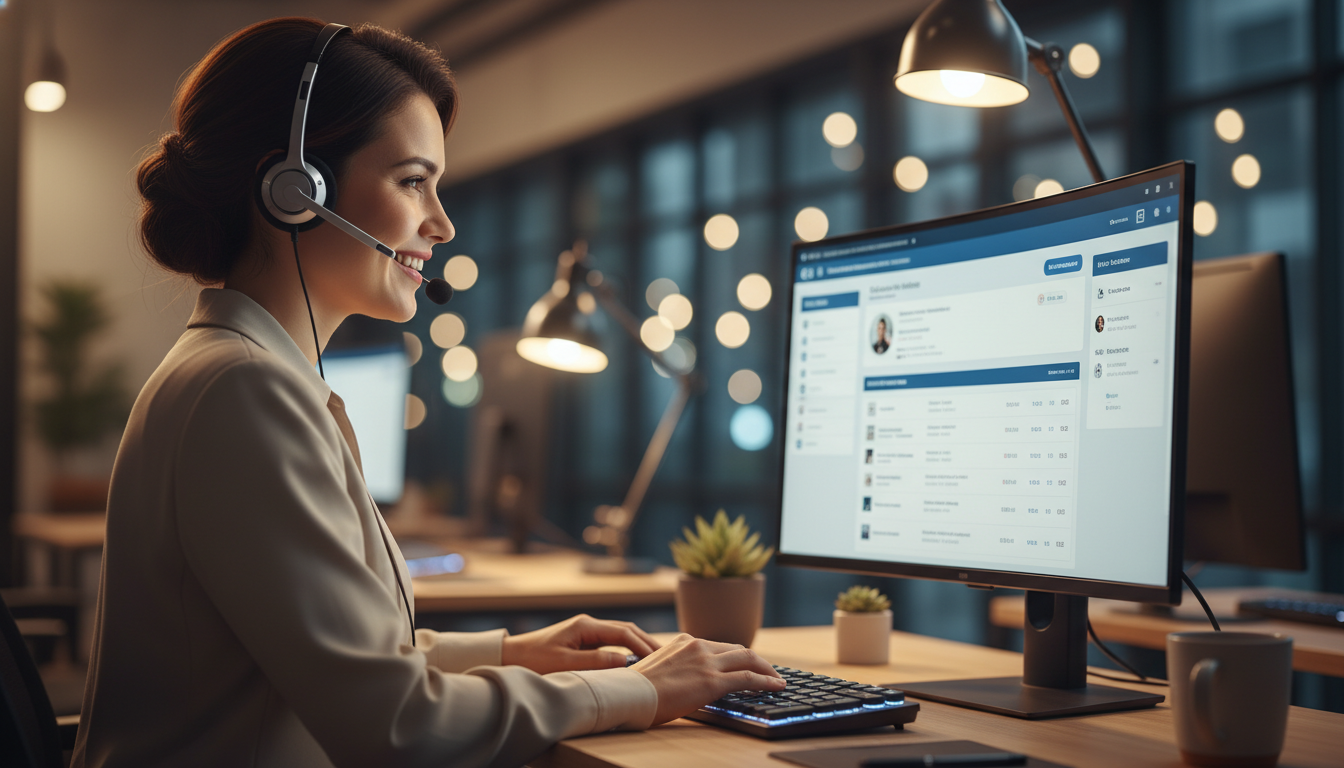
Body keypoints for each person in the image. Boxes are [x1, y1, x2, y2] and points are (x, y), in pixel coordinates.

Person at [72, 18, 782, 768]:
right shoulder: (243, 391)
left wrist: (516, 651)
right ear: (295, 189)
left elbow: (341, 659)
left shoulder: (245, 374)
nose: (440, 223)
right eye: (413, 181)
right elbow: (396, 724)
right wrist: (640, 691)